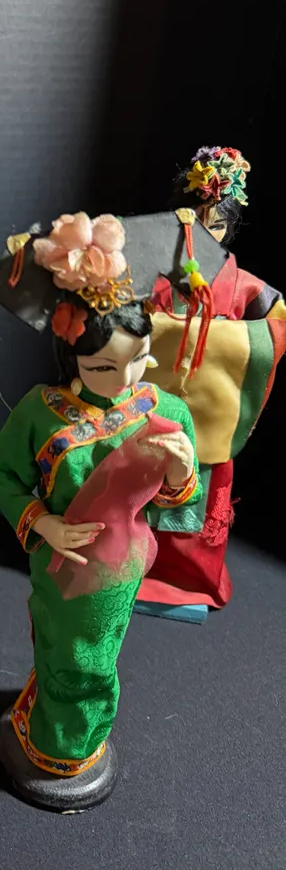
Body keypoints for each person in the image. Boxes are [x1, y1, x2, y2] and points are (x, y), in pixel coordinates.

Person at [0, 212, 201, 809]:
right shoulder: (42, 412)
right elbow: (5, 471)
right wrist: (41, 522)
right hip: (63, 558)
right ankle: (55, 738)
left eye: (138, 360)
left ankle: (67, 746)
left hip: (122, 565)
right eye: (103, 366)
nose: (123, 378)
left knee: (93, 657)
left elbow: (183, 501)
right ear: (71, 354)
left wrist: (181, 474)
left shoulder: (165, 411)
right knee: (62, 646)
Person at [139, 147, 286, 620]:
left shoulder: (242, 285)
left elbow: (273, 327)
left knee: (200, 497)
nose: (205, 233)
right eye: (195, 221)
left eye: (217, 224)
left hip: (209, 412)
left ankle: (189, 581)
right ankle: (127, 568)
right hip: (148, 407)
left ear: (231, 227)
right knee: (135, 490)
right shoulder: (153, 275)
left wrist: (215, 339)